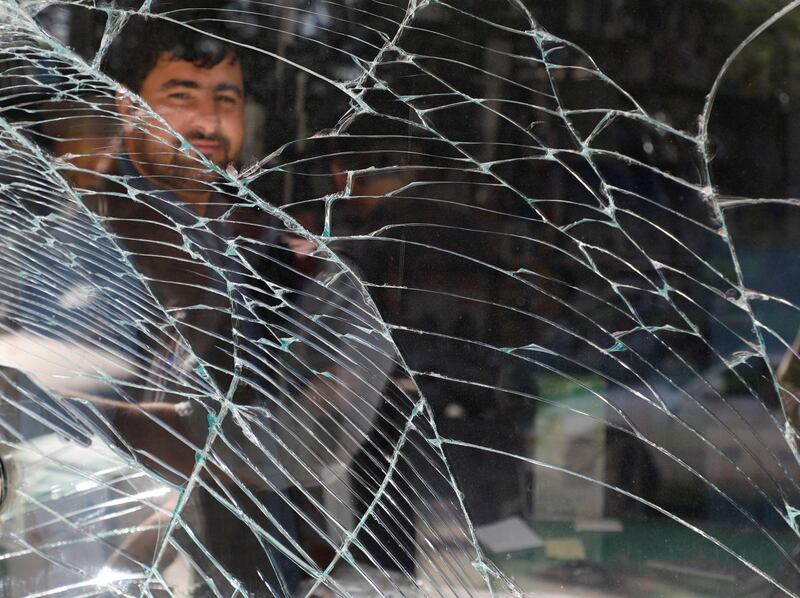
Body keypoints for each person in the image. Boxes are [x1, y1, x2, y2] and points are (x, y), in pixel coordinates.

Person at [1, 15, 303, 596]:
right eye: (180, 96)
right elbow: (56, 443)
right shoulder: (68, 256)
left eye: (226, 98)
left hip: (245, 555)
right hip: (96, 559)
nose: (208, 121)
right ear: (127, 107)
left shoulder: (269, 255)